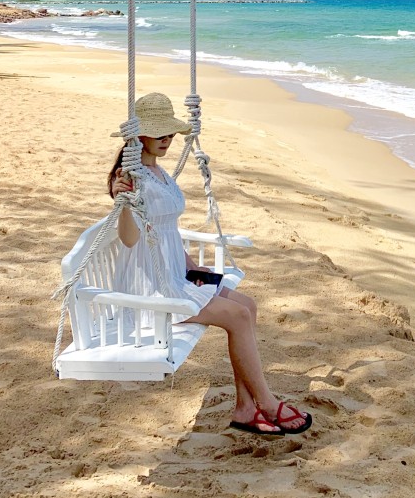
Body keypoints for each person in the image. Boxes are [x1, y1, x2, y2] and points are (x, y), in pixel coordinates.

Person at [107, 91, 312, 438]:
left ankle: (246, 408)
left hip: (173, 274)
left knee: (247, 304)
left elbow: (167, 232)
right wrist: (124, 200)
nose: (167, 140)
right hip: (148, 290)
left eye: (169, 133)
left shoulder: (158, 172)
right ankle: (265, 402)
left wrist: (193, 268)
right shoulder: (130, 179)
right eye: (159, 134)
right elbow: (128, 239)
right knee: (238, 316)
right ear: (138, 136)